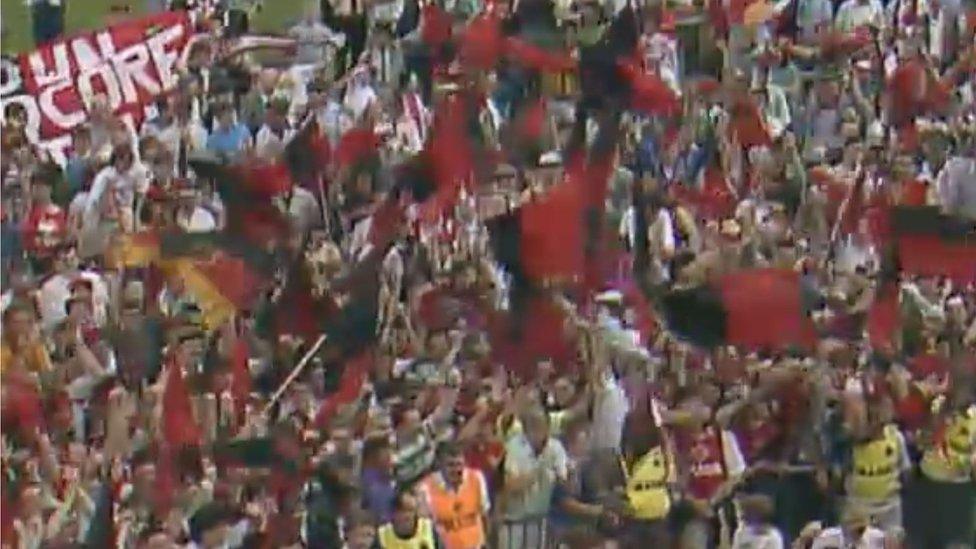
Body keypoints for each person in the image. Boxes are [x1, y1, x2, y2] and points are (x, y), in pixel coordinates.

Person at [418, 442, 490, 549]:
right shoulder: (426, 488)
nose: (456, 470)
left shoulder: (477, 479)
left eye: (459, 464)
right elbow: (423, 528)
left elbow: (485, 515)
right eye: (451, 465)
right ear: (440, 465)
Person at [376, 490, 443, 548]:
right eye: (402, 511)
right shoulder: (382, 536)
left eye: (410, 510)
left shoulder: (429, 529)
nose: (407, 516)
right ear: (393, 514)